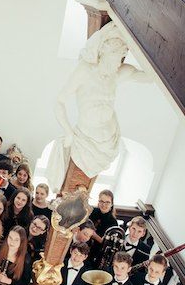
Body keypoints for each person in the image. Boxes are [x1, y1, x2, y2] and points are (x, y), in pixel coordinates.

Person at [49, 22, 150, 193]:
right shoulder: (86, 71)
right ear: (103, 51)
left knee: (85, 191)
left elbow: (150, 77)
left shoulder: (118, 74)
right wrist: (67, 131)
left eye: (121, 56)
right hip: (86, 140)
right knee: (72, 189)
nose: (118, 62)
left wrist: (138, 48)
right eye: (115, 55)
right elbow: (59, 101)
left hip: (108, 141)